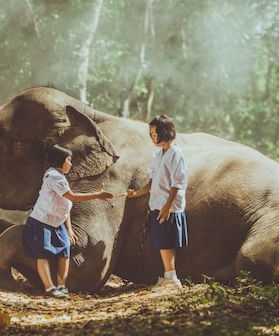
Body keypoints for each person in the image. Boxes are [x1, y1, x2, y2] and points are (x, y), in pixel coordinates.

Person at [23, 144, 115, 299]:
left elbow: (66, 205)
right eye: (68, 160)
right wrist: (96, 195)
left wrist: (69, 229)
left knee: (64, 252)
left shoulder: (61, 178)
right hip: (42, 221)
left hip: (57, 223)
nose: (70, 164)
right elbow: (72, 197)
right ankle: (49, 287)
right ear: (59, 160)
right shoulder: (52, 176)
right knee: (43, 254)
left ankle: (61, 286)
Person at [122, 114, 189, 291]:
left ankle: (172, 279)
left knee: (166, 242)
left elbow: (177, 183)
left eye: (156, 134)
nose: (153, 138)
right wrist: (135, 194)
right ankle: (170, 277)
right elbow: (152, 183)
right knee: (162, 242)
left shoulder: (176, 155)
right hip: (157, 203)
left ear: (166, 132)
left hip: (169, 205)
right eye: (151, 135)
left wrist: (168, 206)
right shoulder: (157, 155)